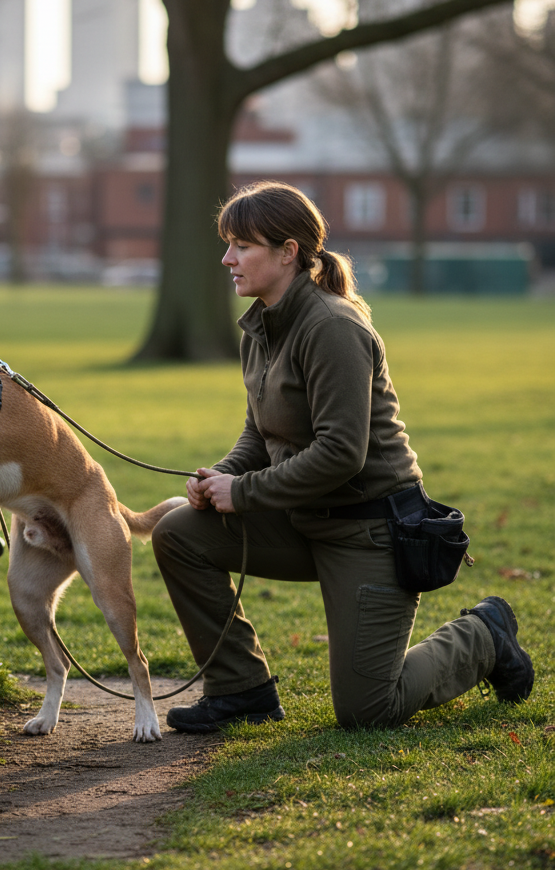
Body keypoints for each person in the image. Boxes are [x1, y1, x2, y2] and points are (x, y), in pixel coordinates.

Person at [153, 180, 533, 733]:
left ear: (288, 253)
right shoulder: (260, 326)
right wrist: (225, 476)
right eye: (227, 243)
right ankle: (241, 691)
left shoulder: (332, 326)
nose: (227, 258)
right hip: (301, 519)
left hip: (369, 531)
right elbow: (259, 433)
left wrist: (245, 494)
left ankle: (483, 635)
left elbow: (342, 453)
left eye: (242, 245)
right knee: (178, 532)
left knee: (368, 709)